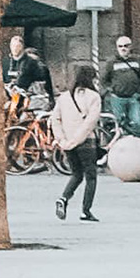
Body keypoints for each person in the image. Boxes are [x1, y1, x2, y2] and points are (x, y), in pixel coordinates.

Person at [51, 63, 106, 225]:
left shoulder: (64, 97)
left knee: (76, 174)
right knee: (91, 176)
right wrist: (78, 138)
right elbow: (91, 121)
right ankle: (86, 210)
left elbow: (55, 119)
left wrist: (63, 140)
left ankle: (64, 198)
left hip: (68, 143)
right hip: (86, 142)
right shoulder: (93, 97)